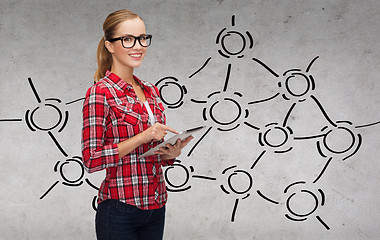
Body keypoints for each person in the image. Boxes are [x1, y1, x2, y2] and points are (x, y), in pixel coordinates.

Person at [81, 9, 192, 240]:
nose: (138, 46)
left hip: (156, 204)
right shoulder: (100, 93)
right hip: (120, 207)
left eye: (142, 38)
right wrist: (143, 136)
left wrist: (170, 152)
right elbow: (91, 160)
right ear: (110, 45)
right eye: (128, 39)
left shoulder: (151, 90)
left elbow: (146, 153)